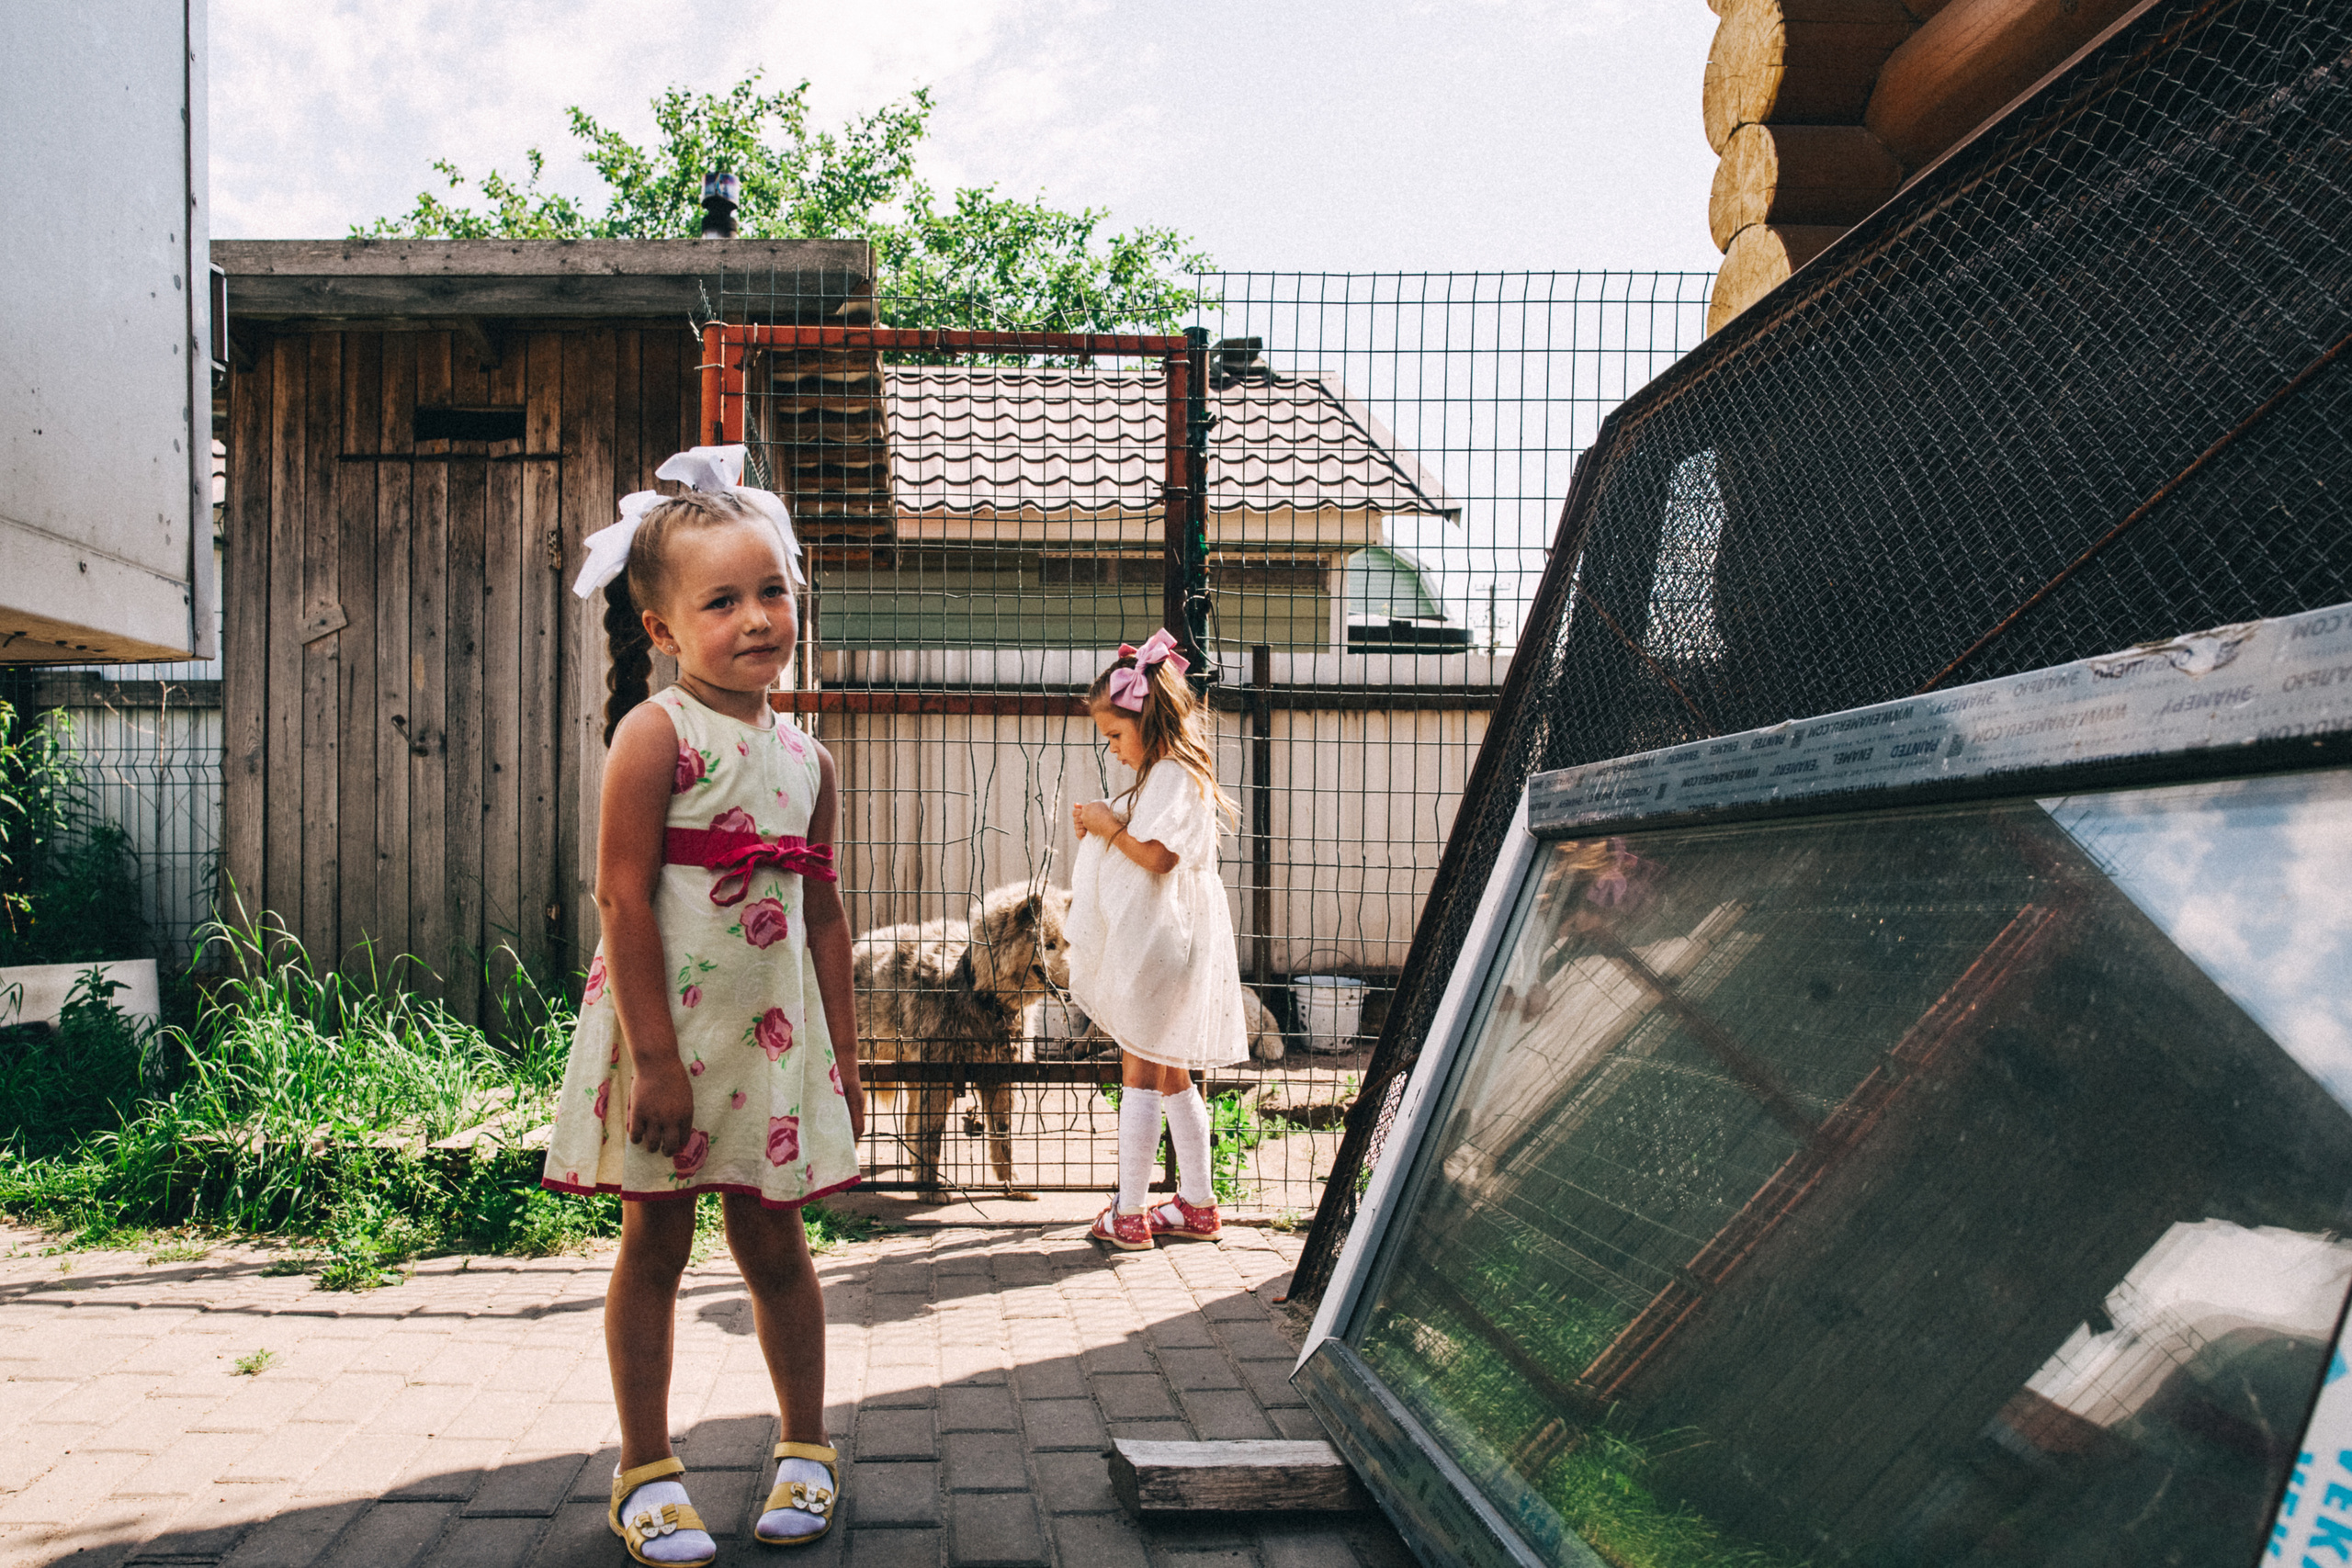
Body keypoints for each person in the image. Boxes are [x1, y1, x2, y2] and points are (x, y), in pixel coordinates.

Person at [541, 447, 865, 1563]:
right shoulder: (655, 735)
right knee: (656, 1244)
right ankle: (645, 1469)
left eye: (771, 590)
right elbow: (622, 900)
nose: (757, 617)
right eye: (721, 600)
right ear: (664, 628)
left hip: (773, 1053)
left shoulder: (807, 759)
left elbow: (822, 916)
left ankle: (807, 1449)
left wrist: (844, 1059)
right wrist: (657, 1062)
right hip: (668, 1046)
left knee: (778, 1244)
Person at [1067, 628, 1250, 1250]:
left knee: (1139, 1069)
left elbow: (1158, 857)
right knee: (1171, 1070)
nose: (1113, 750)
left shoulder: (1171, 774)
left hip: (1165, 940)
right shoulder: (1168, 773)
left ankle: (1129, 1212)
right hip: (1176, 939)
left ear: (1147, 718)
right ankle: (1198, 1204)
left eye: (1116, 735)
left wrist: (1106, 824)